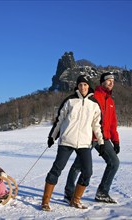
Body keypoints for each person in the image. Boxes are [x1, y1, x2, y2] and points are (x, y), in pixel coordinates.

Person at [41, 75, 104, 211]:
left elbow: (97, 125)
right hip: (66, 140)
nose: (83, 87)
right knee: (56, 170)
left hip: (84, 143)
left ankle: (75, 200)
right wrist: (52, 136)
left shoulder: (94, 103)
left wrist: (101, 142)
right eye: (80, 85)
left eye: (85, 85)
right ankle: (45, 201)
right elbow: (59, 120)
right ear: (77, 86)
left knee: (87, 171)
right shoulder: (70, 101)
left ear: (89, 86)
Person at [64, 72, 120, 204]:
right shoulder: (93, 96)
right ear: (102, 82)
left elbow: (113, 123)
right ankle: (69, 193)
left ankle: (102, 192)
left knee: (114, 163)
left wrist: (115, 141)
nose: (111, 82)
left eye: (113, 80)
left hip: (103, 138)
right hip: (88, 136)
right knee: (79, 166)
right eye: (108, 80)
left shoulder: (111, 101)